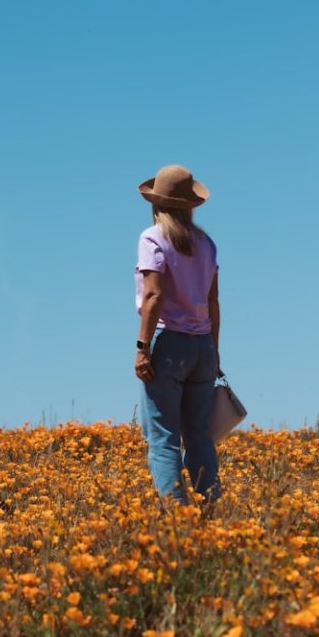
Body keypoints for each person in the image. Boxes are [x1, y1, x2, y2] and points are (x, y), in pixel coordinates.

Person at [134, 164, 221, 504]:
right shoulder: (207, 244)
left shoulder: (152, 238)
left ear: (157, 204)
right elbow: (214, 301)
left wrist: (142, 346)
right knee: (199, 434)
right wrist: (214, 350)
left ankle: (176, 518)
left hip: (167, 342)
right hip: (202, 345)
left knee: (163, 436)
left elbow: (154, 295)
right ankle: (209, 507)